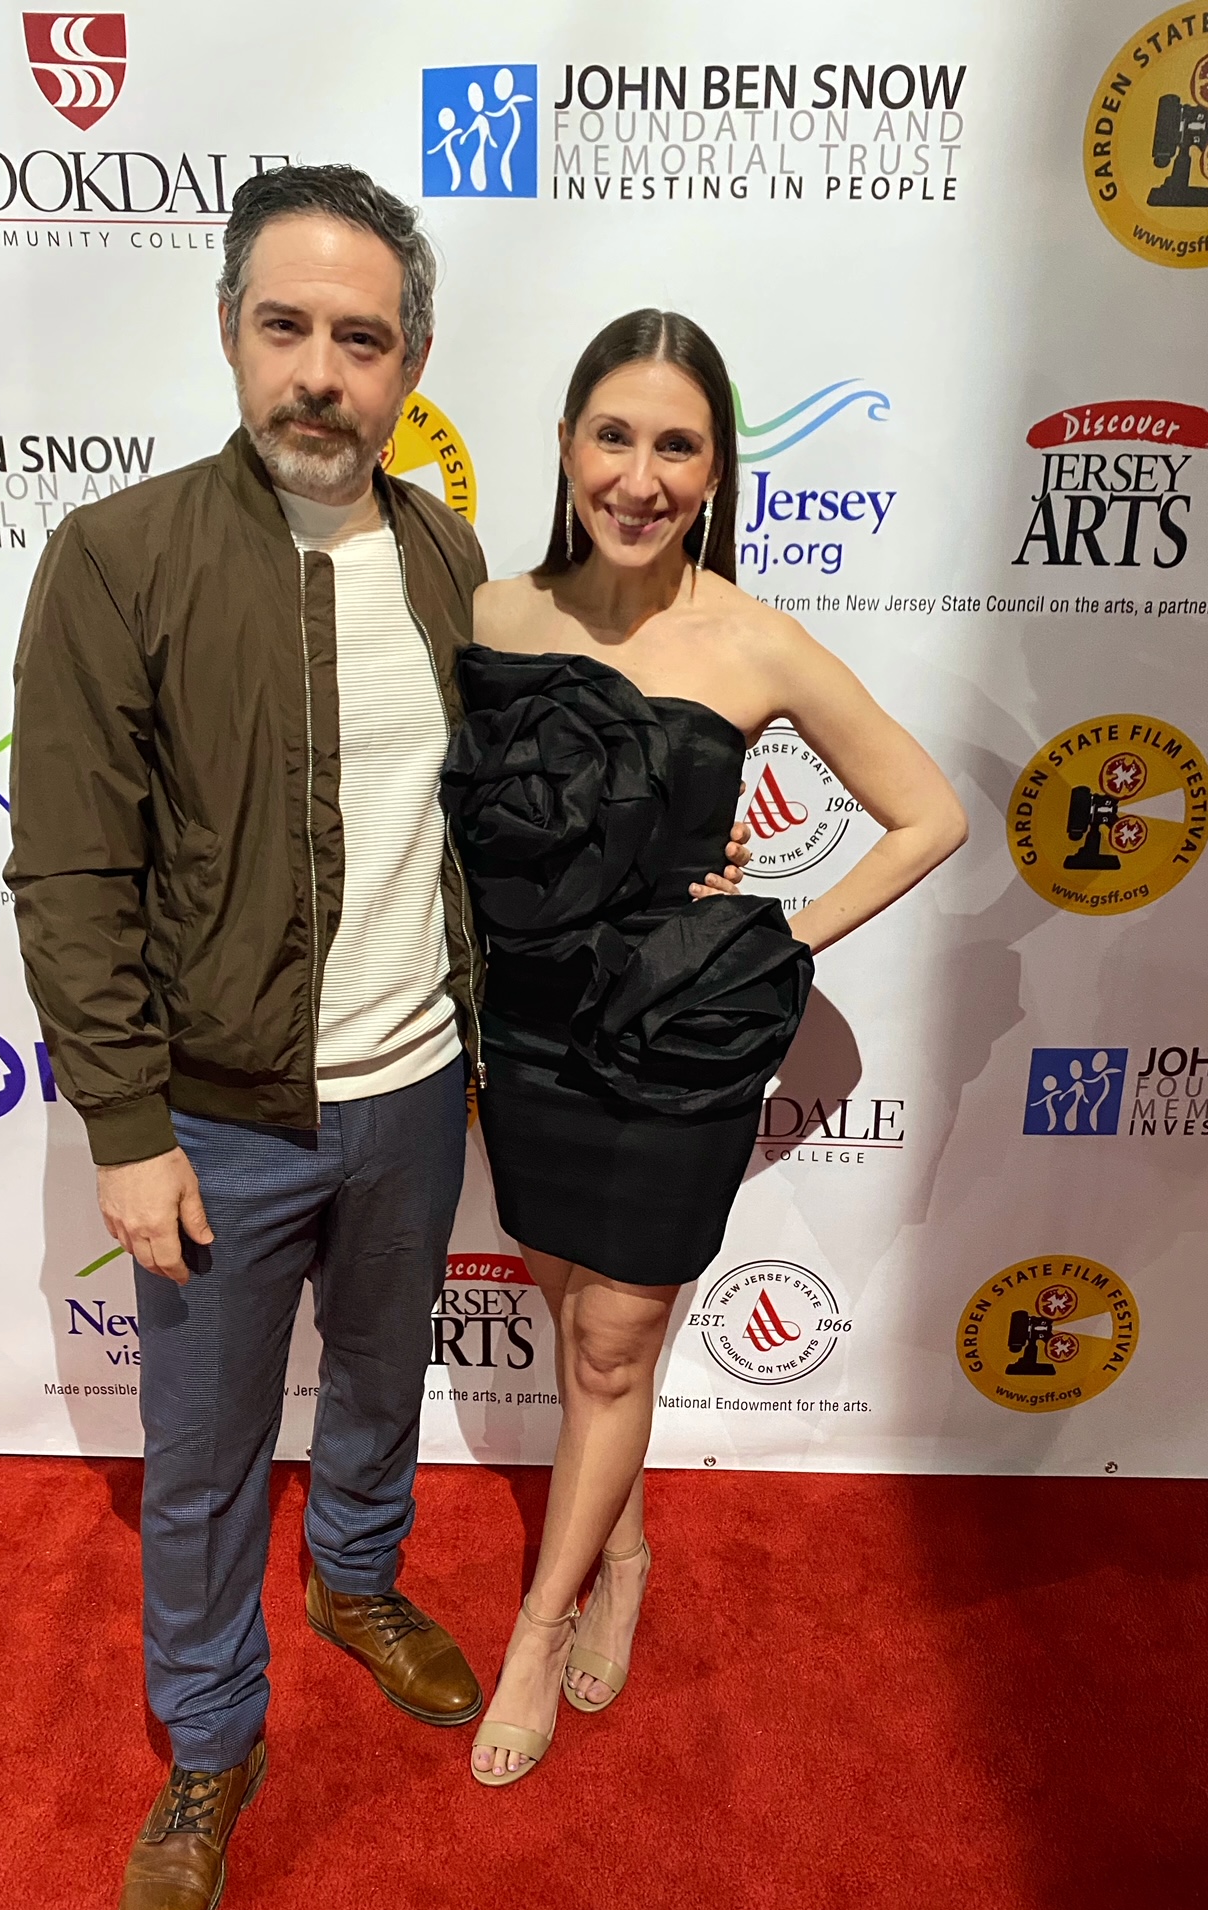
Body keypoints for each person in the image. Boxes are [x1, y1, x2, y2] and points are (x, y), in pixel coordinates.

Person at [6, 172, 750, 1910]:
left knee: (382, 1377)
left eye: (362, 336)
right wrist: (123, 1128)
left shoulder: (442, 562)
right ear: (230, 333)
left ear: (413, 355)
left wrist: (672, 871)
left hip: (424, 1085)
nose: (321, 373)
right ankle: (204, 1749)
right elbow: (70, 870)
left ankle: (354, 1573)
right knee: (192, 1463)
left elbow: (534, 801)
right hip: (217, 1116)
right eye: (289, 329)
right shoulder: (117, 559)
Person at [443, 309, 969, 1785]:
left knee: (615, 1339)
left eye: (678, 444)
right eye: (614, 434)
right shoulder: (491, 617)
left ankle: (546, 1622)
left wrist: (778, 934)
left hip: (676, 1046)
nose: (641, 473)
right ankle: (629, 1546)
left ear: (717, 467)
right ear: (564, 446)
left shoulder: (754, 638)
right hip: (528, 1032)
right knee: (572, 1318)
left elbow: (930, 812)